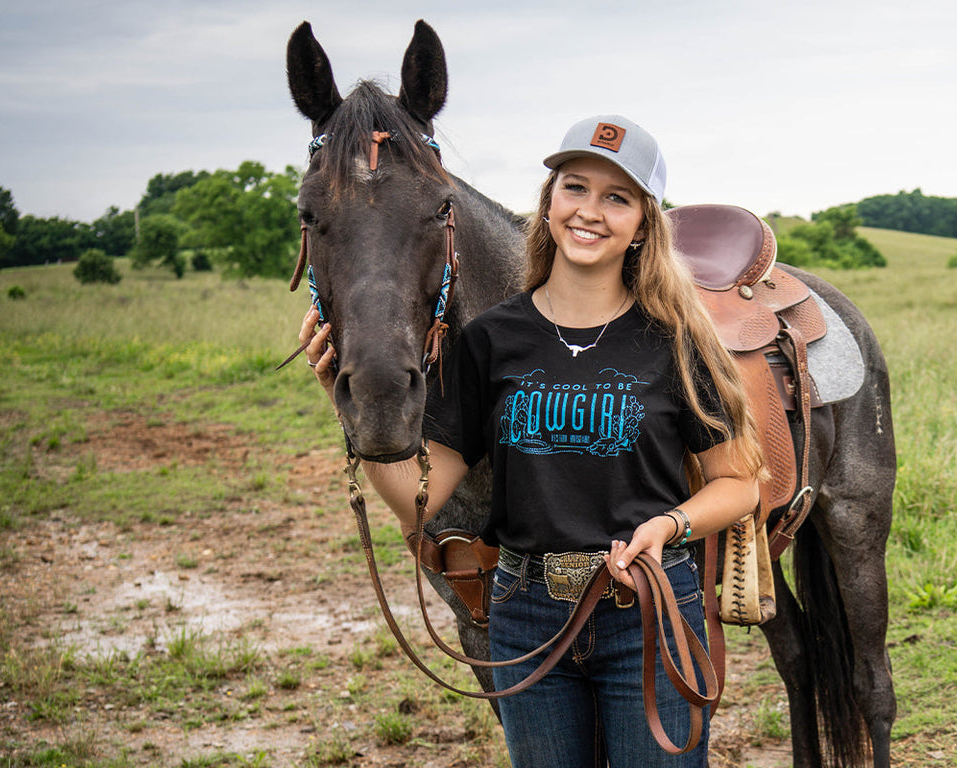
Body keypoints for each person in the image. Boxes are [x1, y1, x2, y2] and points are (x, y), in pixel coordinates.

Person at [300, 114, 762, 767]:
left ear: (643, 225)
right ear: (548, 204)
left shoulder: (674, 338)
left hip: (649, 610)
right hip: (526, 615)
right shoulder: (492, 341)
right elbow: (421, 501)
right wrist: (349, 411)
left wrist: (672, 523)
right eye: (574, 188)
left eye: (617, 197)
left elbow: (739, 483)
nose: (590, 211)